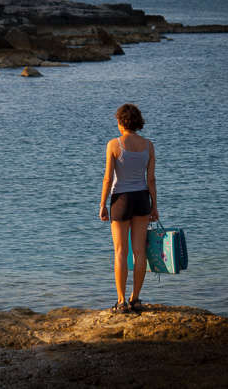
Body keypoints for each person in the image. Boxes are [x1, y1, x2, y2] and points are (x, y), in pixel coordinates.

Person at [99, 103, 159, 313]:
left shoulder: (114, 145)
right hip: (142, 198)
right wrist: (155, 206)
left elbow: (108, 178)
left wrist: (103, 204)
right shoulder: (148, 145)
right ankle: (136, 299)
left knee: (120, 251)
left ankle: (121, 301)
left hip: (121, 199)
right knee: (139, 251)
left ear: (121, 122)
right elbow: (151, 179)